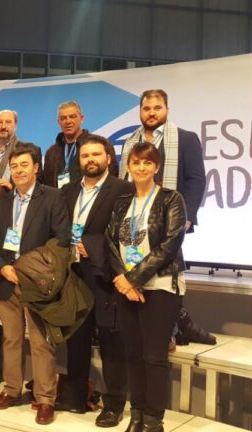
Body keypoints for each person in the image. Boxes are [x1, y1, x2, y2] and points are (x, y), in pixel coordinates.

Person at [0, 143, 71, 425]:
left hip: (38, 282)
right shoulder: (2, 200)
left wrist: (32, 269)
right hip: (7, 279)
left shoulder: (53, 198)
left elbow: (60, 240)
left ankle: (45, 399)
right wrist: (3, 267)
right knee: (10, 338)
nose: (19, 170)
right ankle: (12, 390)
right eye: (15, 166)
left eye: (24, 165)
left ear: (36, 168)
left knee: (40, 342)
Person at [107, 141, 187, 432]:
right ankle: (137, 413)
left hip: (161, 286)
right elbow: (110, 243)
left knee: (154, 357)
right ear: (128, 166)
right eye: (136, 162)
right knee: (133, 354)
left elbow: (171, 243)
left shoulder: (170, 199)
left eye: (147, 163)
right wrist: (123, 279)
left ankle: (154, 419)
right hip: (127, 287)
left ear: (157, 167)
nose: (141, 168)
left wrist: (134, 278)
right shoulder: (122, 202)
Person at [57, 135, 134, 426]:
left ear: (108, 158)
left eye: (96, 155)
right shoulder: (67, 191)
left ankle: (114, 403)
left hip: (105, 275)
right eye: (85, 155)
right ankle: (76, 395)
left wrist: (94, 245)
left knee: (111, 342)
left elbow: (126, 233)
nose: (90, 160)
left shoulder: (123, 190)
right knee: (76, 338)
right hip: (73, 273)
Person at [119, 89, 206, 233]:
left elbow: (196, 180)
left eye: (157, 108)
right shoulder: (129, 142)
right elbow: (124, 180)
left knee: (168, 255)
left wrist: (187, 217)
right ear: (140, 111)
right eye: (146, 108)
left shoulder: (186, 139)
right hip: (133, 215)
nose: (151, 113)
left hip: (171, 218)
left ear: (167, 110)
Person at [42, 101, 117, 188]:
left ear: (82, 118)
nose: (68, 121)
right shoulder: (51, 152)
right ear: (58, 122)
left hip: (91, 198)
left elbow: (112, 176)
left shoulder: (100, 144)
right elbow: (48, 185)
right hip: (59, 200)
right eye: (63, 118)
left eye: (72, 117)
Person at [0, 110, 33, 192]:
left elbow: (35, 184)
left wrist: (12, 187)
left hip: (14, 200)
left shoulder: (29, 150)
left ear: (15, 125)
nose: (3, 126)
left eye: (8, 122)